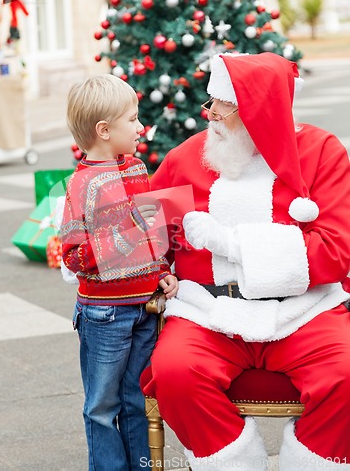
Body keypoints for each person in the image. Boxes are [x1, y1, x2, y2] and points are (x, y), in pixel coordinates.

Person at [141, 53, 350, 470]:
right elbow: (147, 237)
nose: (210, 114)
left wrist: (233, 244)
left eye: (223, 104)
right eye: (210, 101)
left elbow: (336, 251)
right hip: (208, 313)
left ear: (261, 111)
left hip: (303, 311)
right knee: (175, 372)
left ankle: (311, 462)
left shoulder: (322, 152)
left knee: (347, 373)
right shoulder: (186, 157)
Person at [61, 74, 178, 471]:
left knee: (137, 400)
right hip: (105, 315)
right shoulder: (82, 185)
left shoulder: (137, 168)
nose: (141, 127)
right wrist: (129, 229)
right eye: (133, 120)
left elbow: (153, 235)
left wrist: (162, 268)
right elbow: (74, 257)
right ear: (104, 130)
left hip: (144, 308)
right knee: (101, 405)